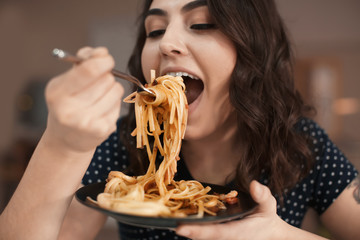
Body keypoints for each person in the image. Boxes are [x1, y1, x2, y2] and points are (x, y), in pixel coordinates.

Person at [0, 0, 359, 239]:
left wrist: (283, 236)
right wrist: (60, 146)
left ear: (255, 52)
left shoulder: (300, 144)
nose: (166, 43)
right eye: (154, 31)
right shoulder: (129, 142)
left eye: (202, 24)